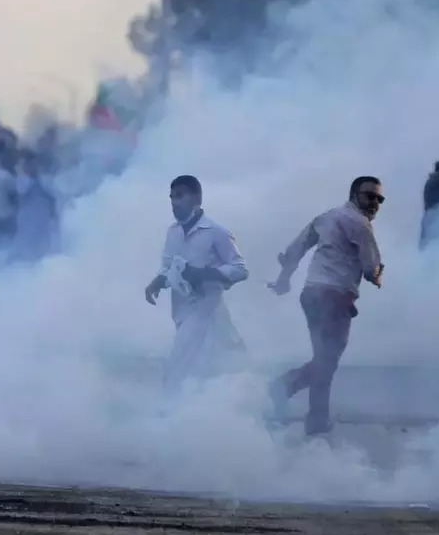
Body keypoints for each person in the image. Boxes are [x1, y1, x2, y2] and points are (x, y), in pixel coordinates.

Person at [267, 176, 385, 437]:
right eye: (370, 196)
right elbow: (370, 269)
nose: (375, 203)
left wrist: (283, 281)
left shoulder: (327, 217)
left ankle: (314, 416)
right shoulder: (361, 225)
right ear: (355, 195)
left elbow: (295, 250)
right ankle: (287, 391)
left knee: (324, 359)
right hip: (335, 298)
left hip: (311, 294)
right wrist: (378, 275)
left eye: (379, 198)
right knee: (326, 361)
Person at [144, 175, 249, 391]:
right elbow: (169, 267)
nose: (174, 202)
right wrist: (157, 281)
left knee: (176, 366)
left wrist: (204, 274)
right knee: (217, 363)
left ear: (197, 198)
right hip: (182, 310)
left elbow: (240, 269)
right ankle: (234, 403)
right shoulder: (172, 232)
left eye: (180, 195)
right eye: (172, 197)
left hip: (205, 309)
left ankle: (166, 413)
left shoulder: (216, 232)